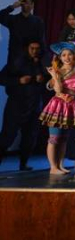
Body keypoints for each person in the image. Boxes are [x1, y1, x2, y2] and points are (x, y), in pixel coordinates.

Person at [0, 38, 46, 170]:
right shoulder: (15, 62)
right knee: (8, 135)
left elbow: (49, 82)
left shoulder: (42, 63)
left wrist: (43, 79)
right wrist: (18, 81)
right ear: (27, 49)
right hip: (16, 104)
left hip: (35, 104)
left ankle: (23, 163)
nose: (35, 51)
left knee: (30, 136)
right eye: (32, 48)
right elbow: (1, 78)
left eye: (37, 49)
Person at [41, 41, 75, 174]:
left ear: (74, 56)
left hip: (70, 106)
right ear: (60, 57)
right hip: (57, 106)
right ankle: (53, 167)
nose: (67, 57)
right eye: (64, 55)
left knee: (64, 139)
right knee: (54, 138)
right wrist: (55, 76)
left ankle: (60, 164)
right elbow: (58, 90)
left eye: (69, 54)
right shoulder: (57, 71)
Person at [0, 0, 46, 64]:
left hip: (31, 56)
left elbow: (41, 40)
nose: (29, 5)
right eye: (26, 3)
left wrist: (40, 57)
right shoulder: (13, 19)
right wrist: (12, 7)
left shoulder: (38, 21)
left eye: (31, 3)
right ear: (21, 4)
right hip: (15, 56)